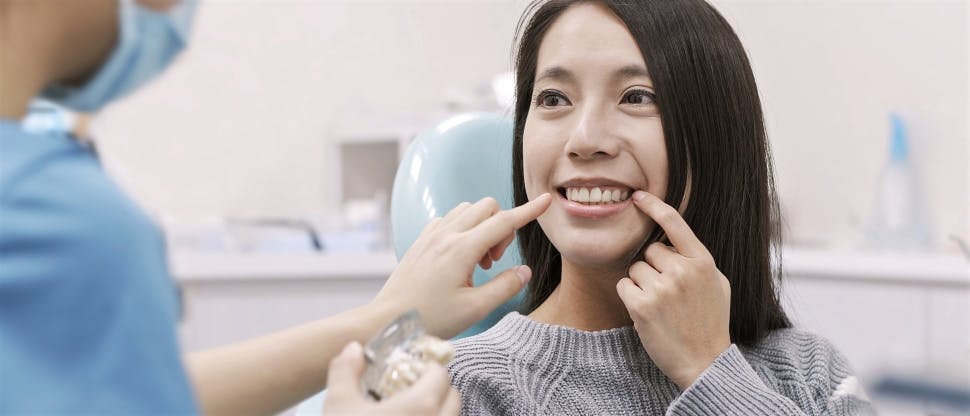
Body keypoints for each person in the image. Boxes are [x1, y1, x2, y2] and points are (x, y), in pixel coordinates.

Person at [0, 0, 553, 414]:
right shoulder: (62, 222)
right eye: (553, 99)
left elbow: (139, 392)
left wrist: (388, 318)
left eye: (636, 96)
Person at [447, 1, 876, 415]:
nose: (584, 140)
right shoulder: (462, 390)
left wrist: (711, 374)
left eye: (636, 96)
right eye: (554, 98)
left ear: (717, 136)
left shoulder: (811, 372)